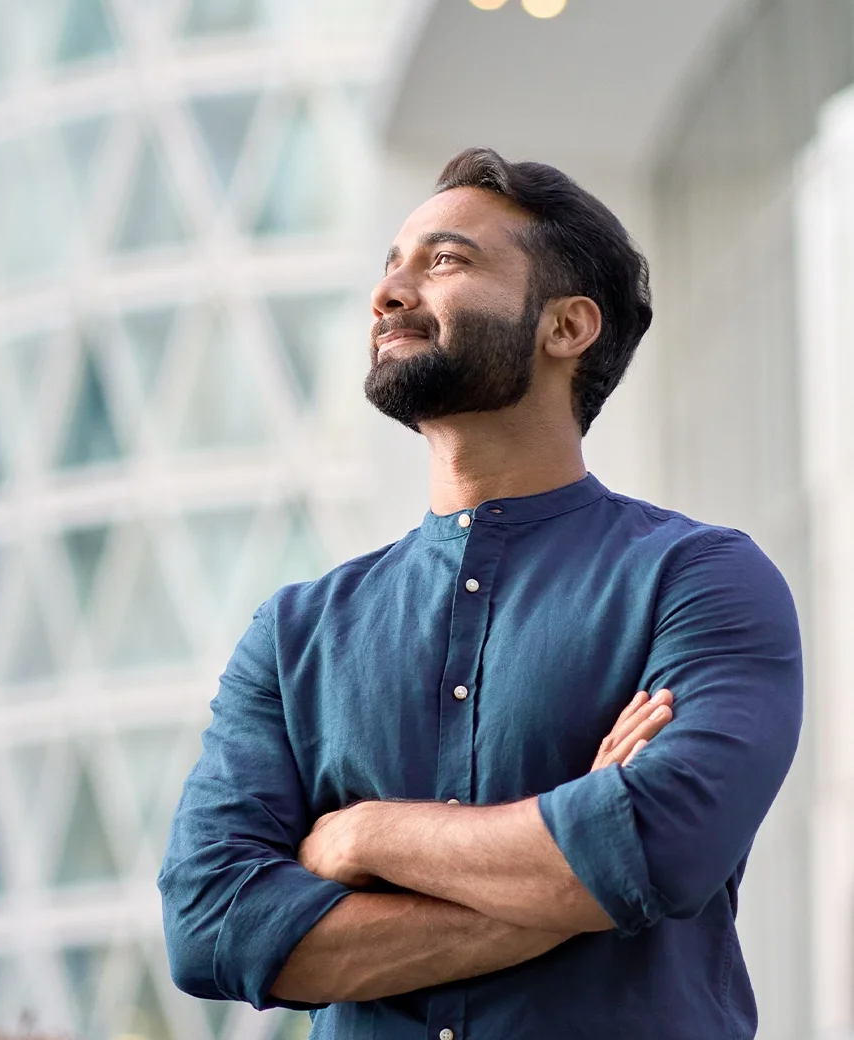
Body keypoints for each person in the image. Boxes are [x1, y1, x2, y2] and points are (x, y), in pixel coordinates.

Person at [157, 147, 803, 1038]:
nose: (389, 292)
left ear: (566, 327)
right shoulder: (295, 633)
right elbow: (211, 926)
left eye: (445, 261)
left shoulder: (700, 579)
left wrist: (366, 836)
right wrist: (569, 872)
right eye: (392, 264)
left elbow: (663, 841)